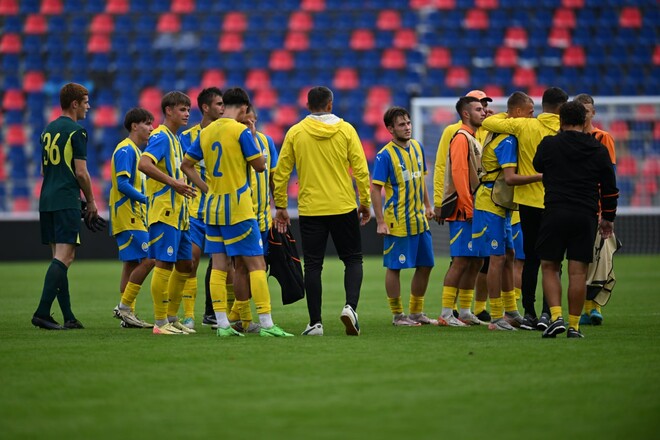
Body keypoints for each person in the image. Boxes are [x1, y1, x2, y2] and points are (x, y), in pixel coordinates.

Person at [181, 87, 293, 338]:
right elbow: (260, 166)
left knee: (220, 266)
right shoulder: (241, 131)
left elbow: (186, 165)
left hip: (212, 208)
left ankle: (222, 324)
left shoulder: (206, 132)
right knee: (256, 264)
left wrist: (206, 188)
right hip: (239, 207)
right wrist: (252, 135)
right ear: (243, 108)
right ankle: (266, 324)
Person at [273, 86, 371, 336]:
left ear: (308, 106)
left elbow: (281, 172)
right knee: (352, 259)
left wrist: (281, 205)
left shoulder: (295, 132)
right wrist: (365, 202)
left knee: (314, 266)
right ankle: (350, 308)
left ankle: (315, 322)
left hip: (311, 208)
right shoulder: (347, 129)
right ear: (330, 104)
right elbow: (360, 169)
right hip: (343, 205)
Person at [482, 87, 568, 331]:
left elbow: (489, 121)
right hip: (556, 200)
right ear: (562, 107)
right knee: (554, 263)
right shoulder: (566, 129)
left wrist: (508, 115)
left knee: (529, 259)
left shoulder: (524, 126)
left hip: (529, 203)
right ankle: (548, 313)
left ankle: (529, 313)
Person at [533, 101, 618, 338]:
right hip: (585, 215)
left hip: (555, 211)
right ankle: (574, 326)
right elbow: (610, 188)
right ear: (584, 121)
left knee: (549, 266)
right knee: (578, 272)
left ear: (560, 121)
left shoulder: (550, 144)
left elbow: (537, 164)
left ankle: (556, 317)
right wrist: (608, 218)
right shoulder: (597, 148)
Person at [31, 82, 98, 330]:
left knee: (59, 258)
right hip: (64, 199)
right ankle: (42, 312)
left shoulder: (47, 130)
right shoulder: (76, 131)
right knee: (66, 256)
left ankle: (68, 316)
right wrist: (90, 201)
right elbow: (81, 173)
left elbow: (43, 170)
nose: (88, 106)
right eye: (86, 102)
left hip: (47, 199)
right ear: (75, 103)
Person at [472, 91, 540, 331]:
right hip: (492, 202)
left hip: (502, 204)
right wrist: (542, 176)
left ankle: (511, 311)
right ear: (519, 112)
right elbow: (510, 179)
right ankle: (497, 316)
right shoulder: (508, 140)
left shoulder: (505, 131)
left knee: (509, 255)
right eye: (531, 111)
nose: (534, 116)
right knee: (496, 259)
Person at [371, 107, 438, 327]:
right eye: (402, 124)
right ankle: (398, 315)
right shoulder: (385, 155)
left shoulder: (418, 147)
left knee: (426, 264)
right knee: (395, 267)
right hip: (397, 221)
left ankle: (417, 312)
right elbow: (375, 189)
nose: (407, 127)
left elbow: (421, 180)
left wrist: (428, 206)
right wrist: (380, 221)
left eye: (408, 123)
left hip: (419, 220)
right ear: (390, 129)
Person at [138, 91, 197, 335]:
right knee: (164, 263)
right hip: (164, 212)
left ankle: (172, 318)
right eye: (182, 109)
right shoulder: (161, 136)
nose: (186, 114)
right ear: (169, 110)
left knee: (185, 264)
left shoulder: (175, 139)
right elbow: (144, 163)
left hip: (180, 215)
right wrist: (174, 183)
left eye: (188, 110)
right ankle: (160, 323)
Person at [433, 90, 493, 324]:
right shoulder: (460, 137)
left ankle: (466, 310)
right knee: (460, 260)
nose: (484, 112)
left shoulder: (473, 136)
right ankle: (447, 313)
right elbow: (458, 174)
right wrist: (468, 207)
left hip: (475, 209)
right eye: (479, 109)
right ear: (466, 114)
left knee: (476, 260)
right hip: (463, 211)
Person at [226, 104, 279, 334]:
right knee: (241, 268)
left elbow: (274, 177)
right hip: (242, 215)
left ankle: (237, 317)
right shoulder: (235, 143)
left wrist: (280, 207)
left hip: (263, 217)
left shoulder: (267, 143)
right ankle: (244, 318)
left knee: (258, 268)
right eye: (246, 122)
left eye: (254, 121)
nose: (251, 126)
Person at [179, 87, 224, 330]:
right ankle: (188, 316)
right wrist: (206, 188)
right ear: (205, 107)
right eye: (218, 103)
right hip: (195, 209)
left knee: (223, 263)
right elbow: (183, 167)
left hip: (221, 209)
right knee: (191, 261)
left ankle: (218, 314)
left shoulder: (227, 133)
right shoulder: (186, 137)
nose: (222, 108)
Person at [573, 93, 617, 326]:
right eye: (581, 109)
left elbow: (608, 176)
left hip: (597, 207)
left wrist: (608, 211)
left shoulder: (603, 138)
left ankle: (594, 307)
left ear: (593, 112)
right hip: (577, 206)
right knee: (580, 259)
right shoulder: (567, 138)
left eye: (588, 109)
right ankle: (582, 309)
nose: (585, 113)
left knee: (600, 257)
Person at [110, 108, 156, 329]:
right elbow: (122, 184)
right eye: (147, 123)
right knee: (150, 258)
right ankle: (125, 308)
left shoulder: (137, 152)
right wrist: (146, 200)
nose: (151, 128)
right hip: (128, 215)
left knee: (131, 263)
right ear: (134, 126)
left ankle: (128, 314)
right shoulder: (125, 150)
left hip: (133, 215)